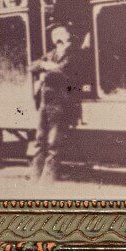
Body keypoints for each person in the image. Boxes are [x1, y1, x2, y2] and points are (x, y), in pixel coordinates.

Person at [29, 24, 89, 182]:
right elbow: (32, 66)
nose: (55, 37)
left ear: (67, 36)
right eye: (53, 34)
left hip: (62, 102)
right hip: (46, 102)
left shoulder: (74, 54)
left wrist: (48, 70)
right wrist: (46, 66)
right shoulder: (51, 54)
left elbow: (66, 73)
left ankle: (48, 177)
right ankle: (35, 175)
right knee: (40, 138)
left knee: (54, 141)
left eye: (58, 33)